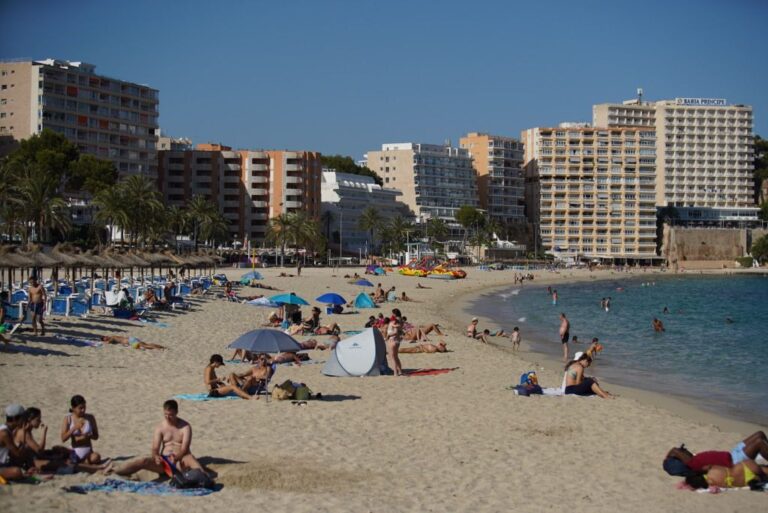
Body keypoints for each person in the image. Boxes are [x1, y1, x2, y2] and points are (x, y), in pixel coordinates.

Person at [115, 400, 207, 479]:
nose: (167, 418)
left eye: (170, 415)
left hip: (181, 460)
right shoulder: (160, 428)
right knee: (143, 460)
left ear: (176, 412)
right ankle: (117, 471)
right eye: (165, 415)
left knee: (190, 458)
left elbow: (184, 449)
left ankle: (205, 477)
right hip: (165, 463)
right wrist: (156, 456)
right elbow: (155, 448)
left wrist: (176, 458)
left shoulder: (185, 427)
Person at [664, 432, 768, 475]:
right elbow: (674, 450)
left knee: (760, 434)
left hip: (732, 453)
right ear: (682, 460)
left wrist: (671, 457)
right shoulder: (692, 464)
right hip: (735, 460)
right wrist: (668, 457)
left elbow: (676, 452)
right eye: (682, 450)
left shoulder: (694, 461)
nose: (685, 449)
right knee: (760, 443)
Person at [60, 395, 104, 465]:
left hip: (87, 451)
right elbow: (63, 438)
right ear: (73, 408)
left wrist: (89, 435)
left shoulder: (90, 417)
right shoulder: (68, 419)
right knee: (58, 450)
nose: (83, 410)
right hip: (74, 450)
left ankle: (80, 463)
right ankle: (80, 463)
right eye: (80, 408)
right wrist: (74, 428)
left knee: (96, 457)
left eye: (84, 407)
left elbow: (96, 436)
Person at [684, 460, 767, 489]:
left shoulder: (711, 483)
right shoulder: (712, 469)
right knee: (762, 468)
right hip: (745, 467)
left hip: (745, 481)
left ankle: (757, 479)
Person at [1, 404, 31, 481]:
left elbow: (14, 454)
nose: (25, 420)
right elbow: (17, 454)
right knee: (17, 472)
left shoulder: (8, 430)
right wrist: (24, 432)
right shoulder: (4, 433)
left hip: (3, 463)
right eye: (23, 418)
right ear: (15, 419)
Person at [100, 335, 167, 350]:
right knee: (146, 344)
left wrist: (104, 342)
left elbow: (109, 342)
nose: (105, 338)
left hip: (131, 341)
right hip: (131, 339)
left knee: (145, 346)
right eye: (104, 339)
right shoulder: (113, 337)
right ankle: (161, 346)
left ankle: (159, 348)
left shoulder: (112, 337)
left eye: (104, 338)